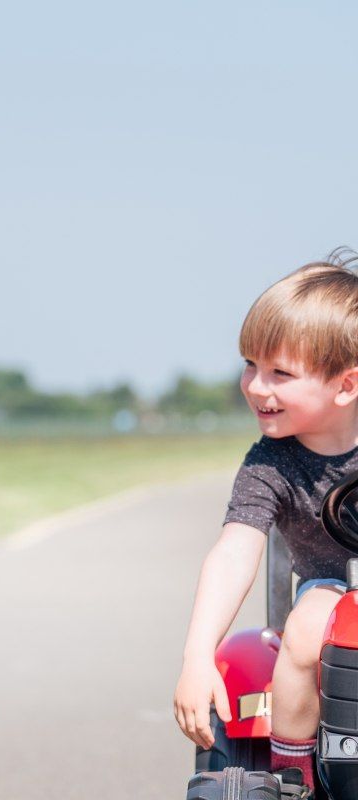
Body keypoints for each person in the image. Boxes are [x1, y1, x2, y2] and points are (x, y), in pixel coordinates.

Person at [174, 249, 358, 796]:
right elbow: (236, 550)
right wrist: (196, 655)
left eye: (280, 373)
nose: (256, 386)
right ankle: (295, 776)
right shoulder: (271, 463)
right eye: (250, 364)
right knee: (304, 627)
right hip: (332, 594)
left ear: (346, 385)